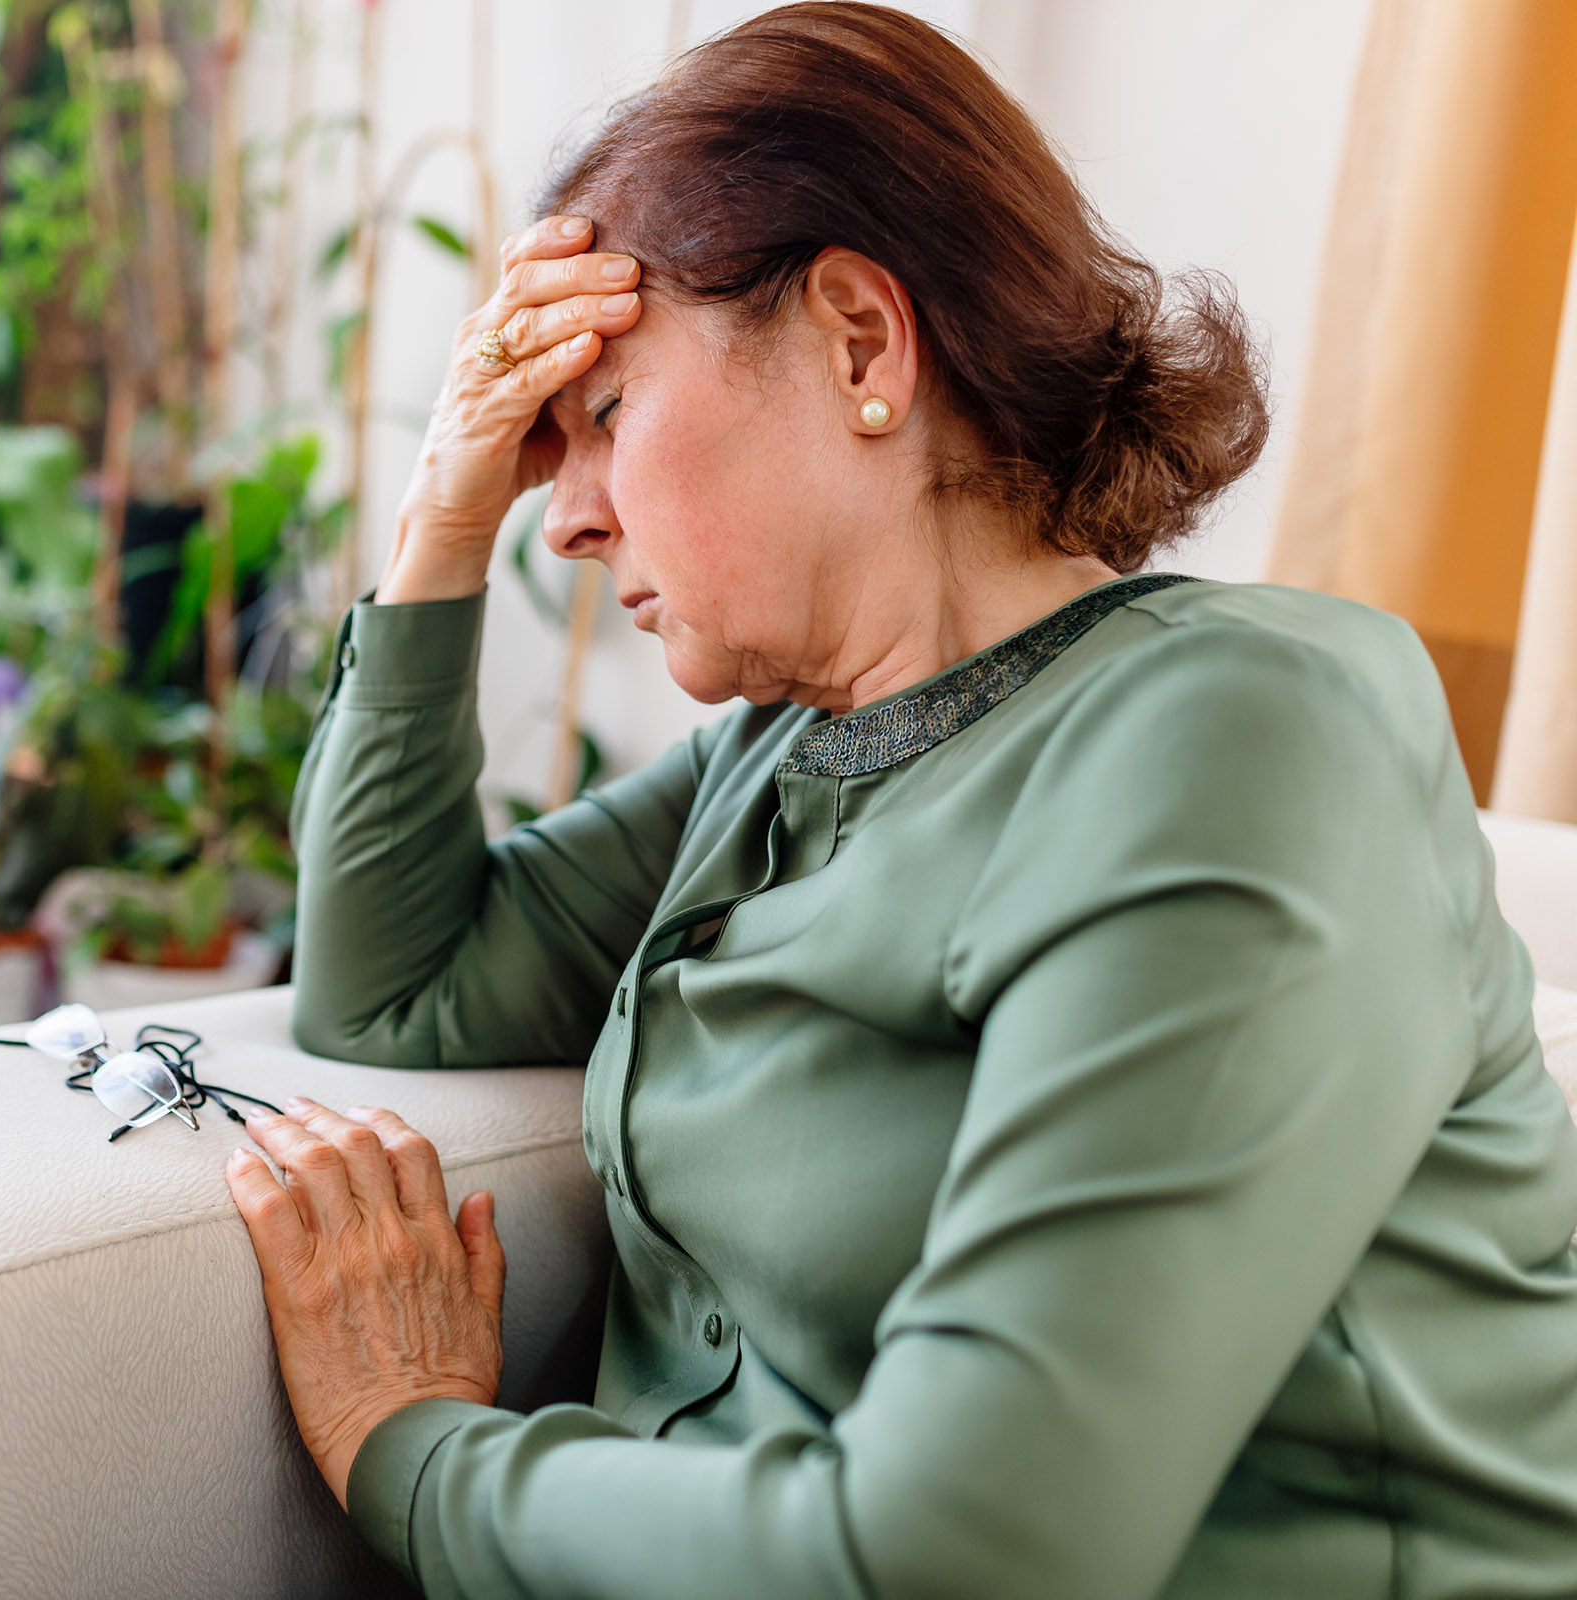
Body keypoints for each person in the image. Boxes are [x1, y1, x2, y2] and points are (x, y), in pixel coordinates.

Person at [224, 6, 1577, 1597]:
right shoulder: (785, 751)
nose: (563, 519)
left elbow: (971, 1557)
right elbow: (393, 987)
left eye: (600, 414)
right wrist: (440, 520)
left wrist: (417, 1451)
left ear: (861, 342)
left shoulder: (1248, 735)